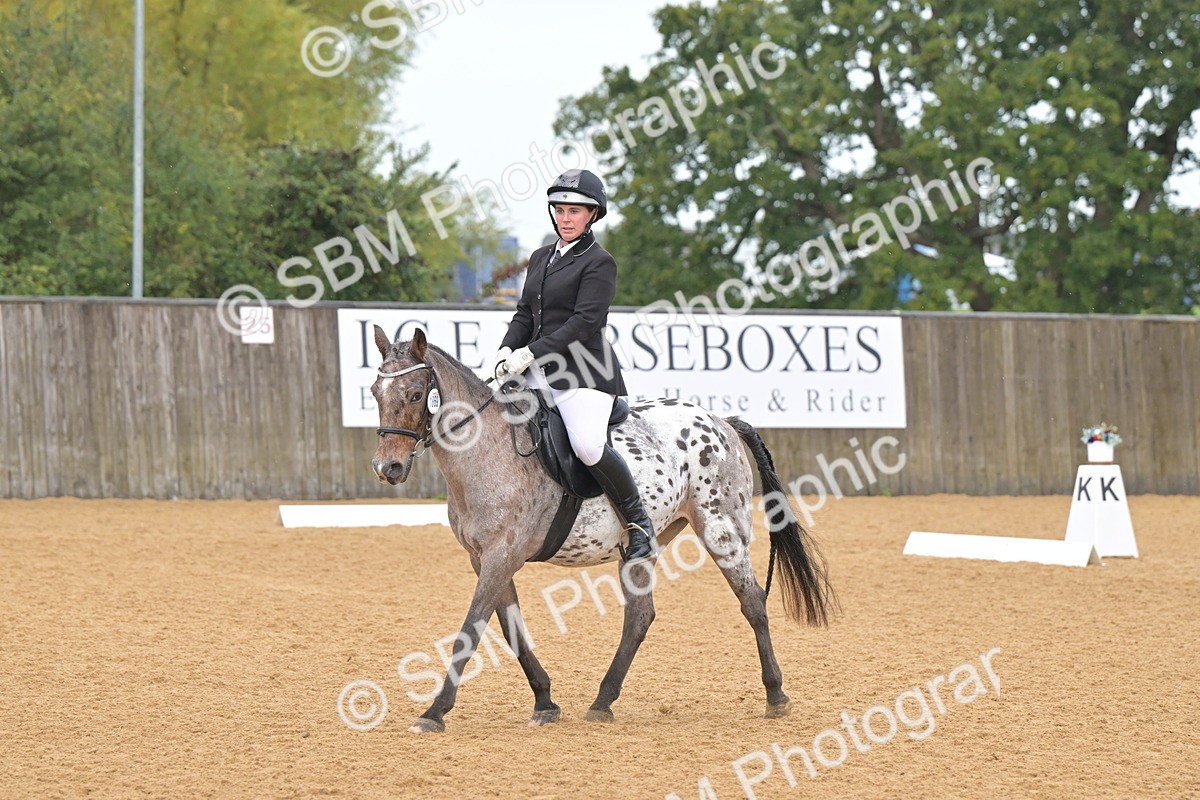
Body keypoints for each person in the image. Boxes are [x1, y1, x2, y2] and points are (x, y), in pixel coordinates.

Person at [492, 169, 654, 562]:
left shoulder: (600, 262)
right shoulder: (540, 258)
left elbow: (585, 323)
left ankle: (638, 524)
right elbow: (526, 313)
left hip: (583, 372)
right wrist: (506, 348)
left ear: (593, 215)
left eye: (575, 211)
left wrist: (532, 353)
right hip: (536, 368)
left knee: (586, 444)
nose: (565, 218)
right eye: (560, 210)